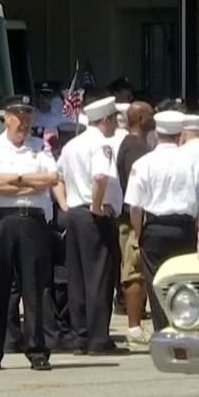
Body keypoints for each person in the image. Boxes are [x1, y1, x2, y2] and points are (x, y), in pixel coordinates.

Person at [0, 95, 60, 371]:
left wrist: (12, 181)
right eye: (19, 117)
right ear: (7, 118)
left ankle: (37, 350)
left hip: (32, 221)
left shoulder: (39, 146)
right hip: (0, 220)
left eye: (28, 117)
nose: (24, 123)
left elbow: (51, 179)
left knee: (35, 287)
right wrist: (26, 182)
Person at [57, 96, 126, 356]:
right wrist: (97, 206)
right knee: (99, 277)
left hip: (75, 213)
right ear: (105, 120)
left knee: (78, 278)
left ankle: (81, 336)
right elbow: (100, 177)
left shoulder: (72, 145)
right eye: (114, 121)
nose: (115, 127)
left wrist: (65, 205)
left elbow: (58, 177)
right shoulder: (101, 145)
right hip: (93, 214)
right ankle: (98, 338)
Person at [125, 110, 198, 331]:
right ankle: (185, 326)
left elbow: (135, 206)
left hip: (155, 228)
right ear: (180, 135)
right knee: (184, 281)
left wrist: (139, 233)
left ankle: (163, 329)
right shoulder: (192, 162)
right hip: (185, 227)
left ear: (157, 134)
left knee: (157, 283)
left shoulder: (144, 163)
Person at [117, 102, 155, 348]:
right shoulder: (134, 147)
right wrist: (138, 226)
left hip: (137, 218)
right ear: (140, 118)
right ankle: (133, 328)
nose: (154, 118)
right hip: (134, 220)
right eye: (150, 114)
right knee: (135, 274)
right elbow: (137, 190)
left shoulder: (140, 144)